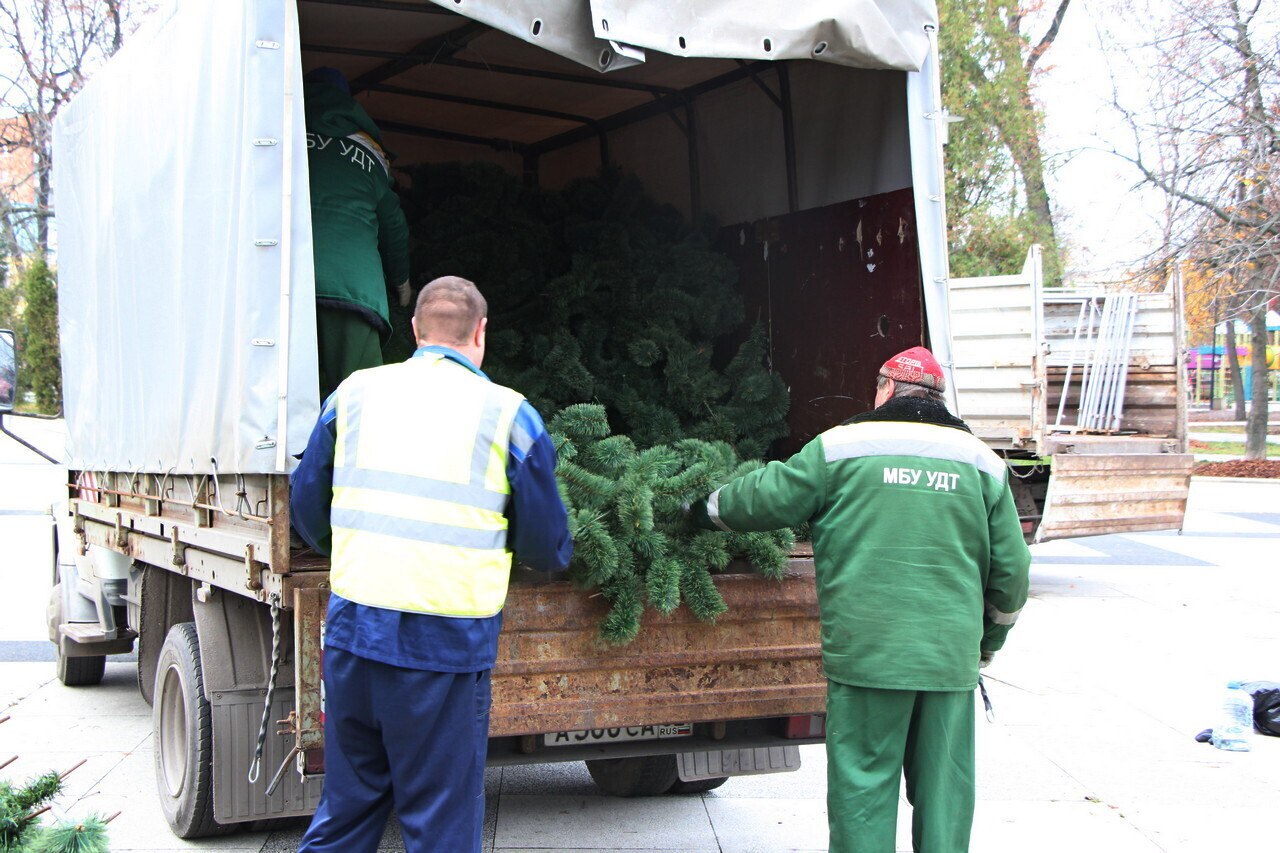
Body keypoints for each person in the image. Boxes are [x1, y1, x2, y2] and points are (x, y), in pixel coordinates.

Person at [689, 346, 1030, 853]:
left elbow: (768, 495)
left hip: (867, 656)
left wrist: (701, 507)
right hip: (948, 659)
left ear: (886, 390)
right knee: (945, 795)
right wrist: (986, 643)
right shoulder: (982, 462)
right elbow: (1013, 573)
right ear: (939, 397)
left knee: (864, 791)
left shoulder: (842, 447)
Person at [290, 276, 573, 853]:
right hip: (442, 649)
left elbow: (305, 508)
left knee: (346, 811)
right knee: (439, 825)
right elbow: (548, 547)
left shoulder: (354, 395)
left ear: (416, 330)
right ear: (481, 332)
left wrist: (347, 545)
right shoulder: (508, 415)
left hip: (353, 634)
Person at [303, 66, 412, 400]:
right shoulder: (369, 152)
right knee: (359, 405)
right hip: (354, 291)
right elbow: (393, 225)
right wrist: (402, 282)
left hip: (281, 284)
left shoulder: (273, 131)